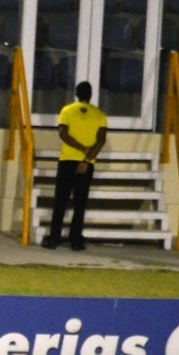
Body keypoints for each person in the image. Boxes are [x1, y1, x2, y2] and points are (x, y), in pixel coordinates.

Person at [42, 80, 108, 252]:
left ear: (76, 94)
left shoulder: (67, 110)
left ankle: (54, 238)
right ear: (91, 95)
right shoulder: (99, 115)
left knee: (60, 201)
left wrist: (80, 147)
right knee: (80, 203)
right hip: (86, 163)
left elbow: (63, 134)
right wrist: (86, 160)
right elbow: (101, 141)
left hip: (67, 161)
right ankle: (76, 240)